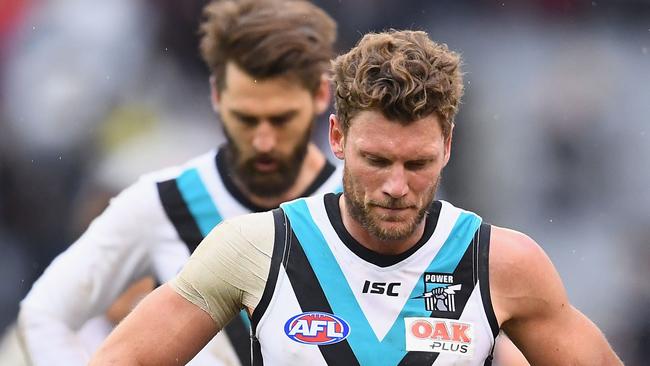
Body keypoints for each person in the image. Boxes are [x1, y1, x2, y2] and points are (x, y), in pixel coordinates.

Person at [90, 30, 622, 365]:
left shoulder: (502, 265)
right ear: (339, 138)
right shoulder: (254, 250)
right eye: (376, 160)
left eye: (417, 164)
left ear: (448, 147)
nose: (396, 186)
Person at [17, 0, 341, 365]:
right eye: (245, 118)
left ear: (320, 96)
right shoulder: (164, 203)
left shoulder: (369, 204)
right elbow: (46, 313)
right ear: (217, 95)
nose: (263, 141)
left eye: (282, 119)